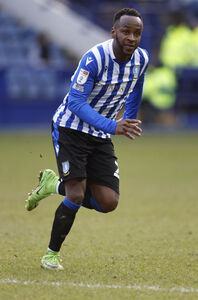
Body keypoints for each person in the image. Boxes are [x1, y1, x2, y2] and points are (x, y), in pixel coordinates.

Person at [25, 7, 149, 270]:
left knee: (109, 202)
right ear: (113, 31)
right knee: (76, 195)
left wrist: (129, 118)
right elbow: (75, 101)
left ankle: (51, 185)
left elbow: (137, 84)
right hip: (70, 129)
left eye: (137, 33)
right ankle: (51, 255)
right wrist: (113, 125)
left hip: (101, 133)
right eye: (126, 31)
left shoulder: (141, 59)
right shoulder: (94, 59)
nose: (131, 38)